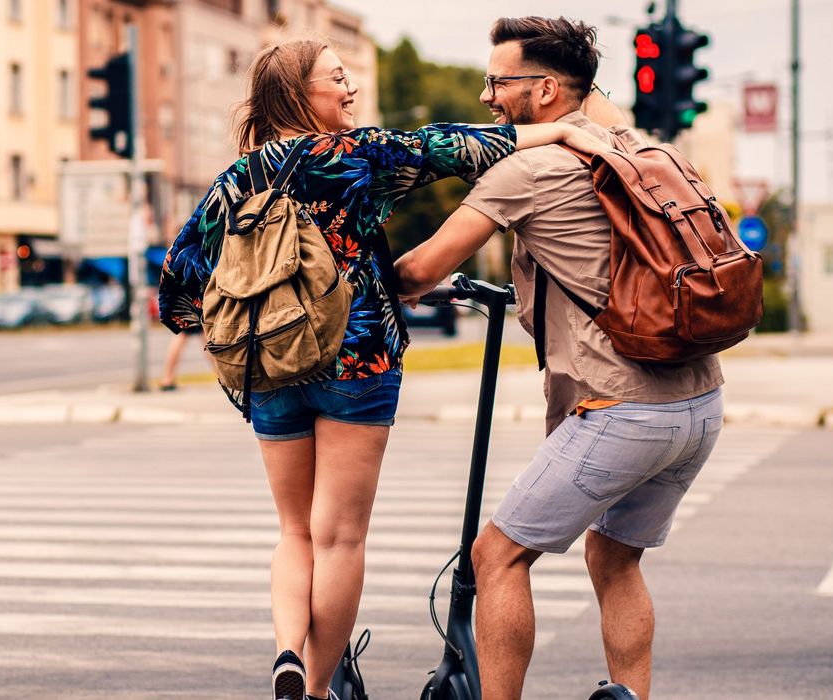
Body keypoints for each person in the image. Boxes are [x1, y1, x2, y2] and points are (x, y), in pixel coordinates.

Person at [157, 39, 611, 700]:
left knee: (293, 533)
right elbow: (452, 145)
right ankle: (315, 690)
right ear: (299, 95)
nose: (350, 89)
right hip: (356, 359)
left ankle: (286, 653)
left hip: (268, 376)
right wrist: (564, 129)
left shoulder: (238, 179)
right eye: (336, 79)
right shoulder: (357, 156)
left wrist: (245, 322)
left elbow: (177, 288)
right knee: (338, 539)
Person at [394, 17, 726, 700]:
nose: (487, 97)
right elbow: (596, 101)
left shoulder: (529, 168)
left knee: (497, 558)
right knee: (612, 555)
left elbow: (418, 272)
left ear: (544, 91)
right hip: (697, 404)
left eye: (498, 82)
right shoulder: (637, 147)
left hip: (623, 410)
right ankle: (632, 695)